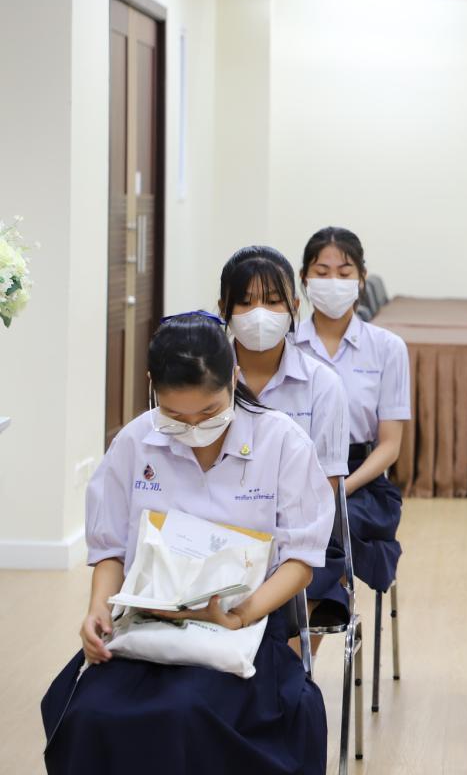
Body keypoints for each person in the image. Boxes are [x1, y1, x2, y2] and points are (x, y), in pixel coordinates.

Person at [41, 312, 333, 774]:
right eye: (176, 417)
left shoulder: (282, 443)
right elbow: (110, 549)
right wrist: (98, 608)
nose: (194, 427)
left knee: (184, 714)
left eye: (210, 413)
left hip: (244, 629)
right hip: (146, 627)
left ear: (234, 376)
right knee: (89, 714)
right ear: (152, 386)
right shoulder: (135, 442)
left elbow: (301, 561)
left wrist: (240, 615)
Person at [219, 245, 351, 627]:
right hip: (219, 532)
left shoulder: (322, 385)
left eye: (273, 301)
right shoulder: (206, 381)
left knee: (293, 598)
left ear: (294, 306)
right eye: (245, 302)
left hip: (295, 535)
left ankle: (287, 660)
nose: (259, 314)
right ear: (223, 308)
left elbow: (323, 489)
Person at [293, 227, 409, 629]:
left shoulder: (387, 348)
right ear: (304, 279)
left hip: (360, 481)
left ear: (361, 279)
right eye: (321, 272)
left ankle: (299, 649)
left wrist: (340, 488)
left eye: (344, 273)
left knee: (327, 530)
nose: (333, 282)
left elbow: (390, 445)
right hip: (293, 474)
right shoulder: (286, 344)